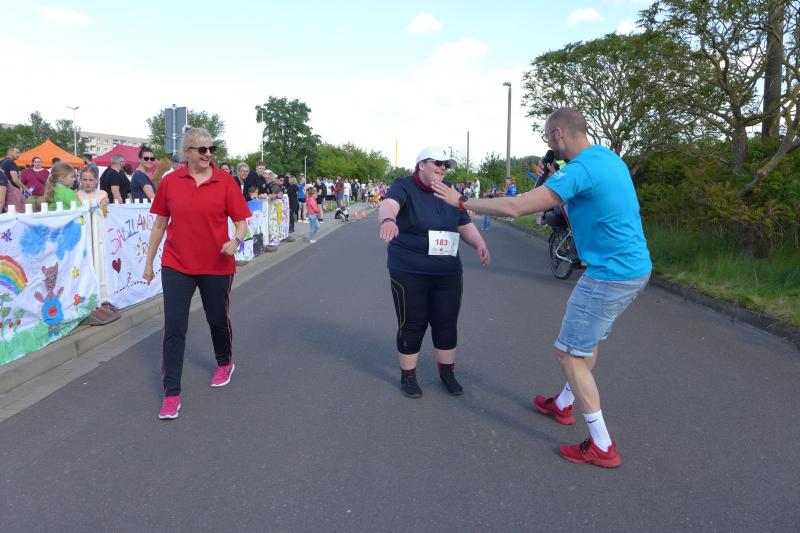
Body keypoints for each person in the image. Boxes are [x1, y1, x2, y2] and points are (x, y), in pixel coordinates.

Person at [431, 107, 651, 468]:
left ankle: (602, 445)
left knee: (568, 354)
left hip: (609, 273)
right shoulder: (607, 159)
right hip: (634, 269)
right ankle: (563, 403)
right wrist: (550, 177)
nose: (547, 143)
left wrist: (462, 202)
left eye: (547, 137)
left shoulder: (580, 170)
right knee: (586, 342)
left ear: (559, 134)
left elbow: (517, 206)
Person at [142, 128, 251, 420]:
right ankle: (171, 393)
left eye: (211, 149)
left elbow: (242, 221)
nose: (207, 154)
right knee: (174, 326)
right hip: (177, 264)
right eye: (201, 149)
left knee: (217, 319)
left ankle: (224, 362)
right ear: (187, 152)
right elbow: (159, 225)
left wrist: (236, 240)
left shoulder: (225, 181)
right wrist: (149, 262)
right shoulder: (170, 182)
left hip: (216, 265)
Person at [379, 147, 491, 399]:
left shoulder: (450, 190)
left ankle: (447, 373)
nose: (443, 168)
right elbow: (389, 205)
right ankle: (408, 375)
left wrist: (479, 244)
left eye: (446, 165)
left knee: (446, 322)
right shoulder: (404, 186)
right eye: (438, 163)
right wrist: (388, 220)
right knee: (413, 323)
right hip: (409, 269)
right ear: (421, 164)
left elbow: (464, 223)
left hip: (447, 270)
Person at [1, 146, 24, 213]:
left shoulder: (1, 162)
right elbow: (15, 180)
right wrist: (26, 189)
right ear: (10, 152)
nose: (19, 155)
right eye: (17, 152)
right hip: (11, 192)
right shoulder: (11, 163)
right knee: (15, 212)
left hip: (3, 191)